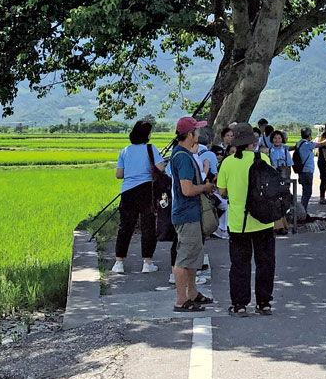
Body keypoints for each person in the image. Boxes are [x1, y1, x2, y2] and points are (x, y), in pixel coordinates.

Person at [217, 122, 277, 316]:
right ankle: (264, 302)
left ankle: (240, 304)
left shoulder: (228, 162)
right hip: (263, 220)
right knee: (265, 263)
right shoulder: (264, 159)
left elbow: (221, 191)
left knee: (240, 265)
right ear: (252, 142)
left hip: (238, 222)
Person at [169, 116, 216, 312]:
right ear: (190, 135)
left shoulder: (181, 153)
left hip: (188, 213)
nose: (199, 133)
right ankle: (181, 300)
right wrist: (205, 187)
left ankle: (193, 293)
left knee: (193, 256)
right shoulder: (183, 158)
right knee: (185, 258)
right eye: (196, 130)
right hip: (187, 214)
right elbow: (187, 189)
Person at [112, 120, 165, 275]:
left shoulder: (125, 151)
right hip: (146, 190)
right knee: (148, 226)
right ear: (147, 135)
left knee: (125, 226)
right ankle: (147, 262)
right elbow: (161, 168)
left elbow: (119, 174)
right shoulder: (151, 148)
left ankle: (118, 262)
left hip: (127, 192)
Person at [293, 127, 317, 218]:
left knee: (305, 192)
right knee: (307, 192)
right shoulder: (307, 144)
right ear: (309, 135)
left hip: (302, 172)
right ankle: (303, 212)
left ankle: (303, 211)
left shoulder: (299, 143)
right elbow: (322, 144)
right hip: (307, 172)